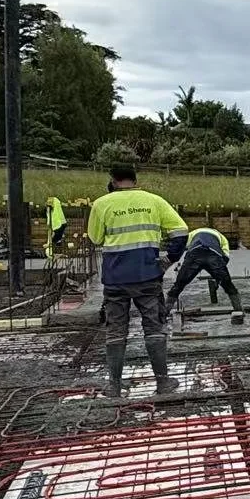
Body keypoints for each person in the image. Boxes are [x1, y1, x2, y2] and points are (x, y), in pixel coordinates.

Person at [83, 162, 188, 396]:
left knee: (115, 330)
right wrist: (168, 260)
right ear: (135, 180)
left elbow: (96, 238)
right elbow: (181, 231)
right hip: (147, 276)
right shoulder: (154, 201)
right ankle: (162, 382)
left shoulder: (101, 204)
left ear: (112, 180)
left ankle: (114, 386)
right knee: (154, 327)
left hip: (115, 279)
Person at [166, 224, 245, 322]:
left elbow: (180, 246)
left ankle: (164, 313)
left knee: (178, 285)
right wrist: (219, 278)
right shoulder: (222, 237)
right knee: (228, 284)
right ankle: (238, 310)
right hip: (213, 255)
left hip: (194, 255)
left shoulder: (192, 234)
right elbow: (225, 256)